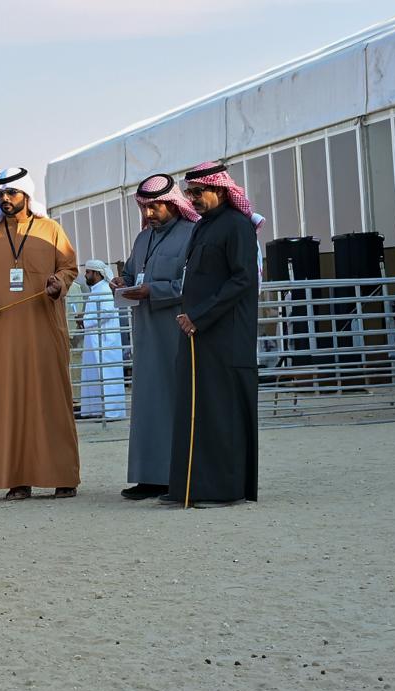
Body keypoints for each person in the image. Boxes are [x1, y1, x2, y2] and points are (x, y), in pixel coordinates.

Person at [0, 166, 80, 500]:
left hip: (45, 330)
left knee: (51, 400)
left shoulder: (50, 229)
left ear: (26, 195)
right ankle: (17, 480)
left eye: (11, 193)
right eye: (0, 194)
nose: (5, 199)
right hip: (3, 333)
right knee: (8, 402)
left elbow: (69, 267)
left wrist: (59, 283)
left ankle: (63, 477)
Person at [165, 162, 259, 507]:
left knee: (222, 412)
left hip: (225, 335)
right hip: (198, 333)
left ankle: (224, 491)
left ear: (219, 189)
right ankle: (191, 487)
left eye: (198, 191)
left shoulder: (237, 226)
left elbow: (243, 279)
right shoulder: (204, 226)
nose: (192, 198)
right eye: (189, 192)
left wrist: (200, 316)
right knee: (196, 409)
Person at [111, 174, 199, 499]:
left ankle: (175, 476)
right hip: (145, 334)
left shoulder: (192, 234)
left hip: (175, 333)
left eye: (155, 207)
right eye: (145, 208)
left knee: (173, 402)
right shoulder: (142, 239)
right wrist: (122, 283)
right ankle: (148, 477)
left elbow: (192, 284)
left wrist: (153, 290)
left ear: (173, 204)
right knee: (146, 404)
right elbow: (132, 272)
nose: (149, 214)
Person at [79, 259, 126, 420]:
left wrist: (86, 320)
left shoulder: (105, 289)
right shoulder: (96, 289)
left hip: (105, 341)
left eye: (88, 272)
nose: (85, 275)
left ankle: (112, 412)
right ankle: (96, 410)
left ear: (97, 273)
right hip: (94, 339)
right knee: (94, 375)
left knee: (107, 375)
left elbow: (106, 311)